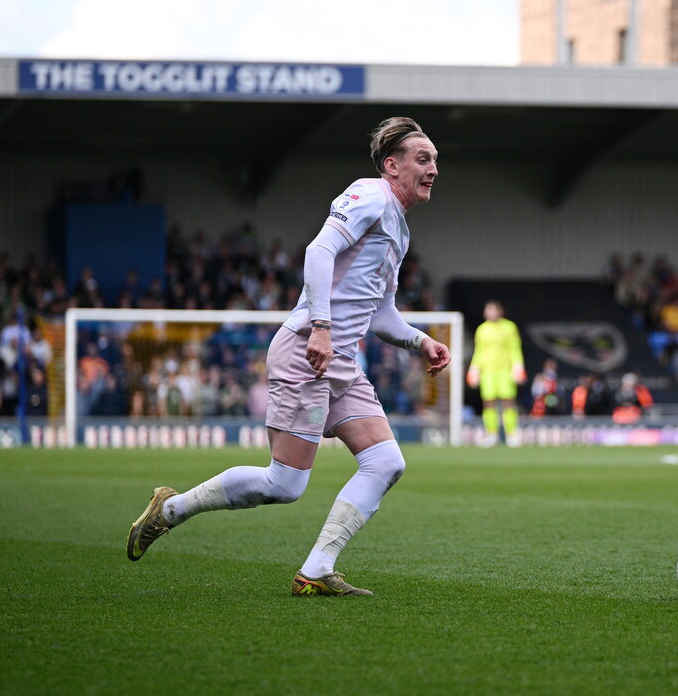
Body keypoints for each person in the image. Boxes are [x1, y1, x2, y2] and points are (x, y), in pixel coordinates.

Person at [126, 116, 450, 598]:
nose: (433, 170)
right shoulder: (369, 194)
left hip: (339, 360)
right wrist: (320, 325)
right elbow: (318, 250)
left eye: (436, 161)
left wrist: (419, 340)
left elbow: (379, 312)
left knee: (385, 462)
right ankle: (170, 510)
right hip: (309, 350)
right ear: (391, 166)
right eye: (423, 159)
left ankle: (316, 571)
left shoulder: (398, 229)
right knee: (285, 484)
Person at [467, 300, 526, 447]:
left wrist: (518, 367)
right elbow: (479, 351)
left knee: (508, 401)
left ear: (500, 311)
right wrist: (474, 369)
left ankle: (512, 434)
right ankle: (491, 434)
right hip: (488, 371)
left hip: (505, 370)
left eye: (493, 310)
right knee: (488, 402)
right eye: (488, 310)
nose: (491, 313)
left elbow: (515, 348)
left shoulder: (509, 327)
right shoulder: (482, 330)